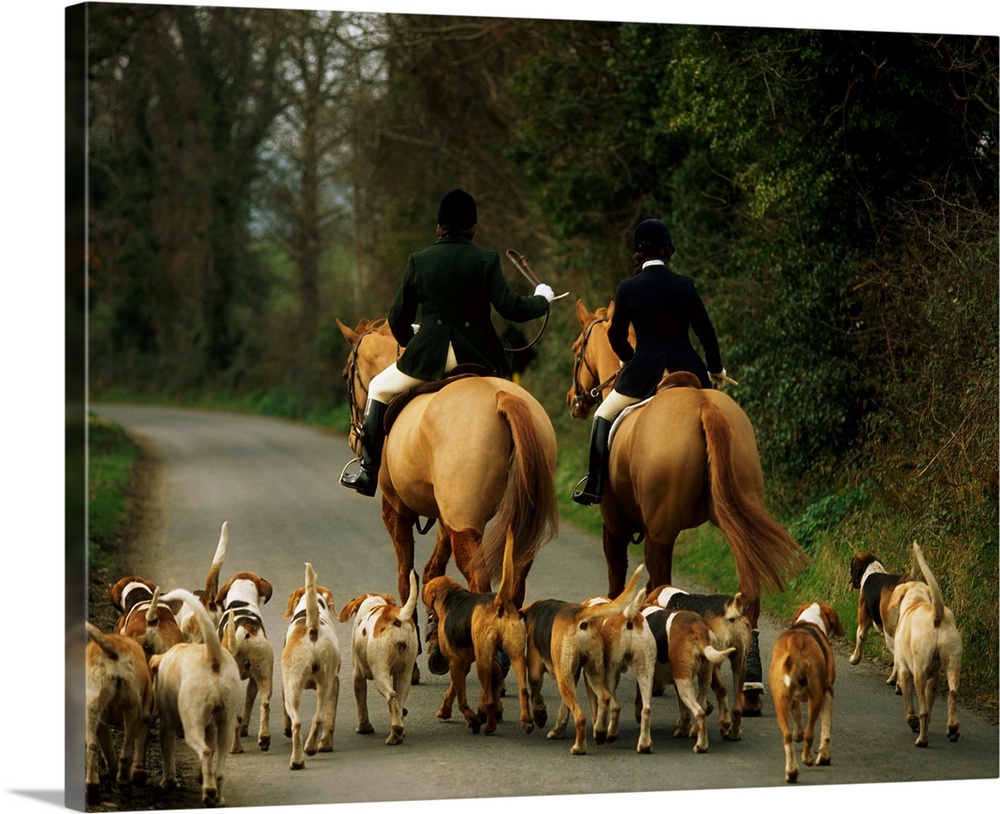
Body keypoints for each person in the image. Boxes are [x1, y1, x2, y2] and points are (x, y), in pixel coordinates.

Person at [341, 188, 555, 497]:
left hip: (429, 358)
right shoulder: (486, 260)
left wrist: (413, 341)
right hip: (479, 358)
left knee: (378, 388)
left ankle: (367, 472)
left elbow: (398, 317)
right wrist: (542, 300)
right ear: (472, 227)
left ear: (439, 226)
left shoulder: (419, 261)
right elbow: (513, 309)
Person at [571, 218, 729, 506]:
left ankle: (594, 486)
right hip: (687, 368)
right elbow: (706, 331)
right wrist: (715, 368)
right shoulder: (684, 285)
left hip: (644, 373)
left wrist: (630, 360)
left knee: (602, 416)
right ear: (668, 250)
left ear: (637, 254)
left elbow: (616, 335)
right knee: (722, 416)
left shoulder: (628, 288)